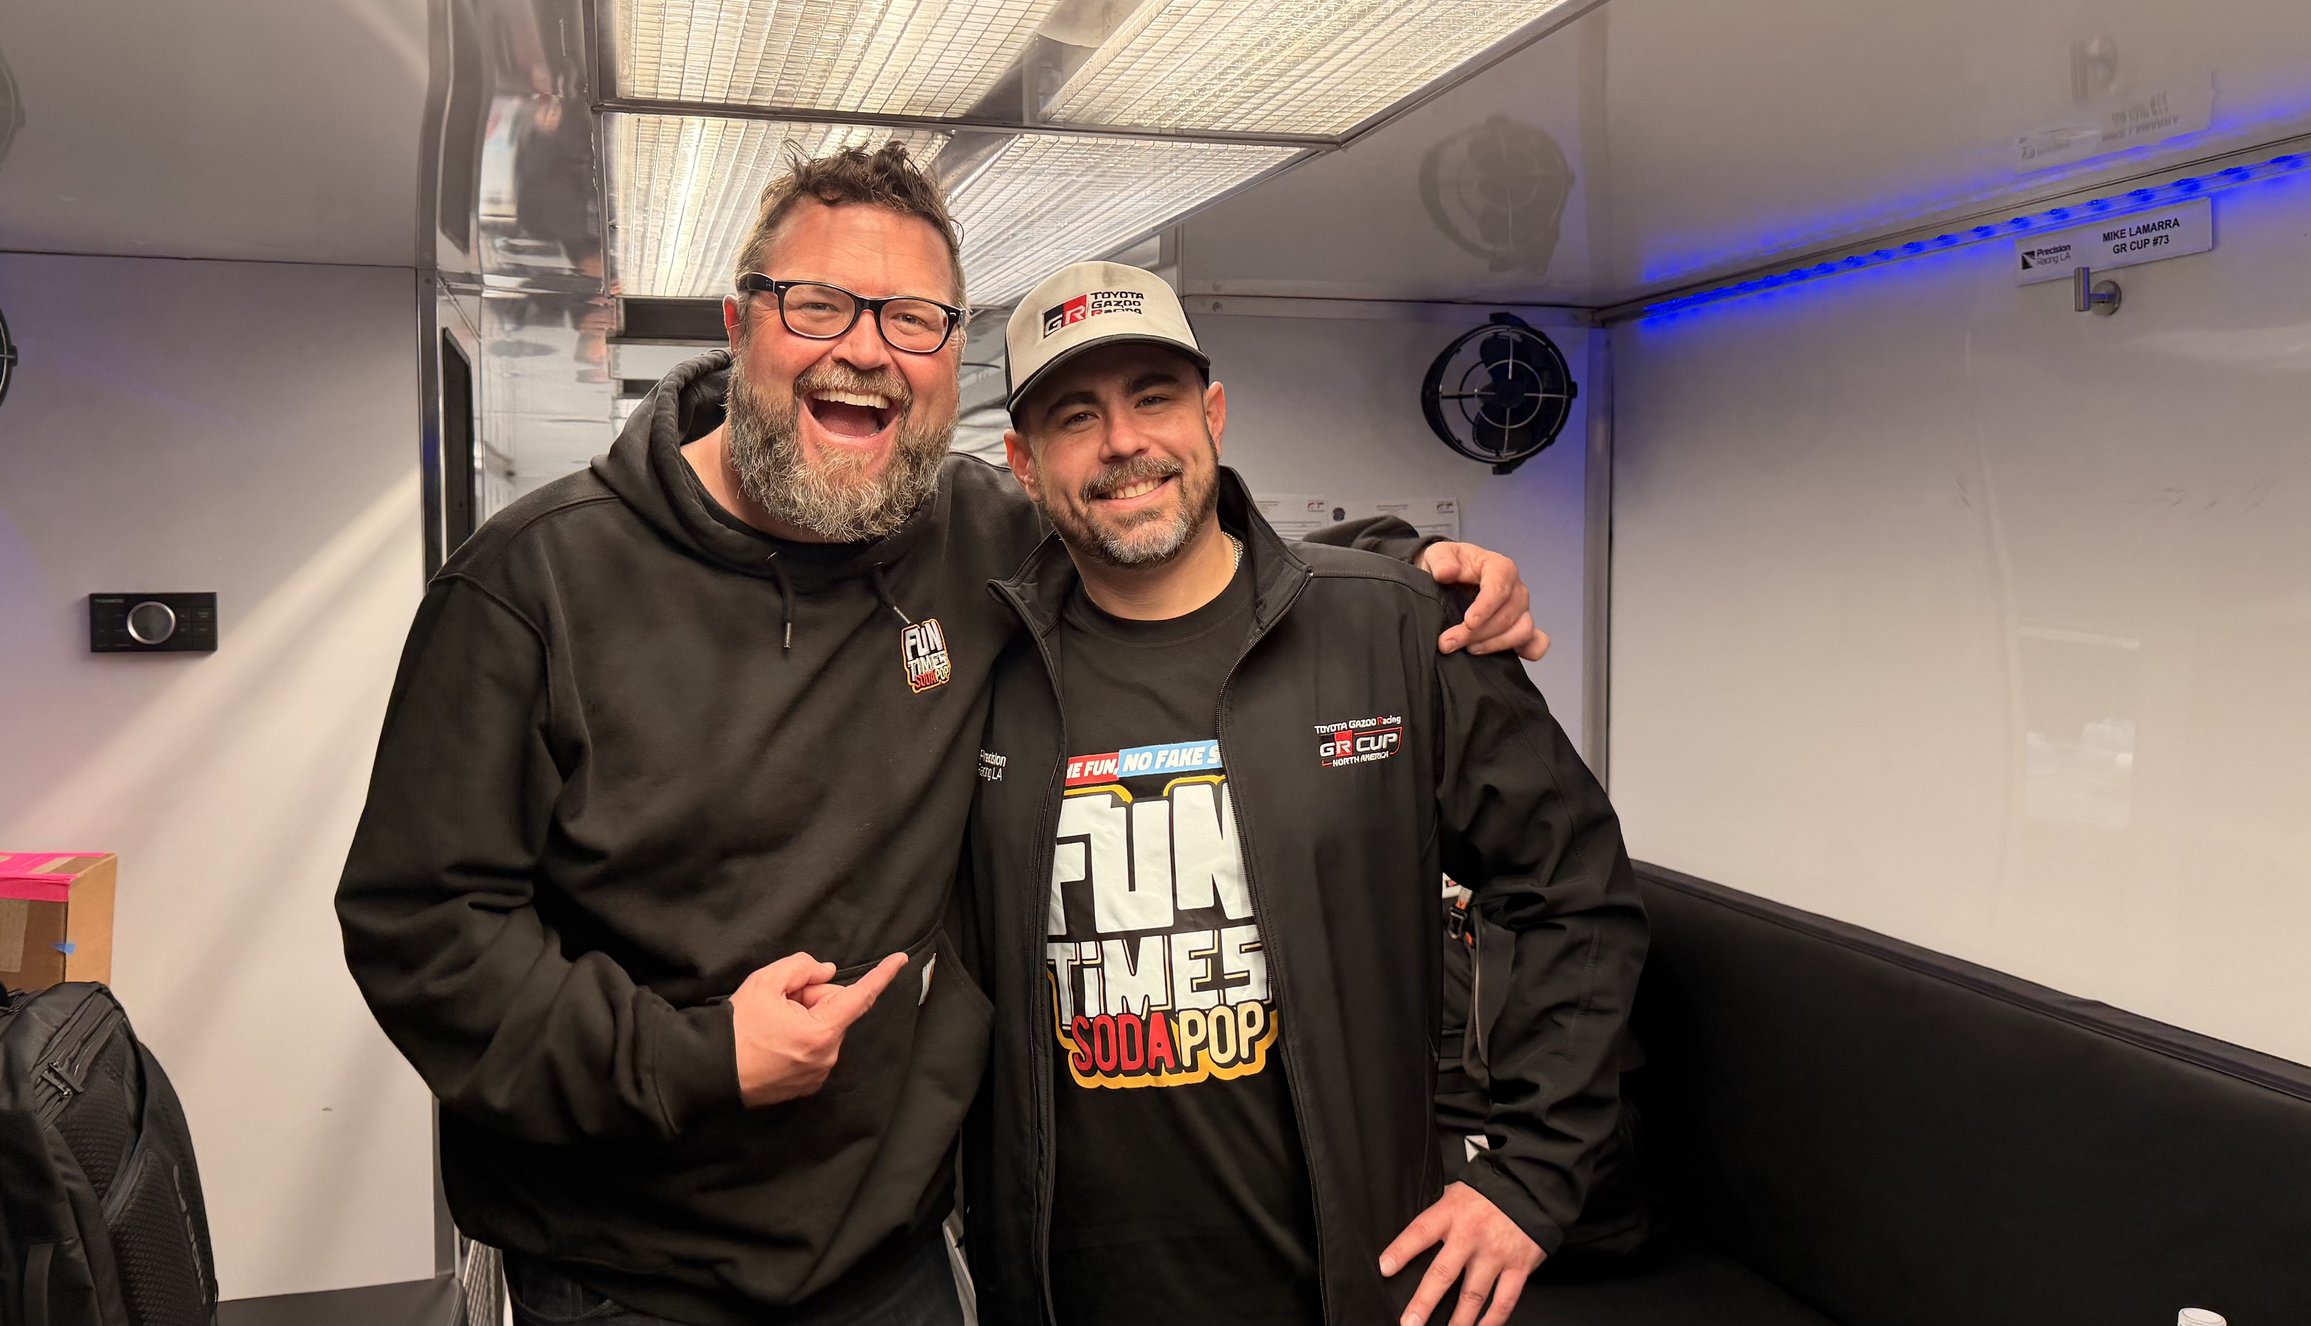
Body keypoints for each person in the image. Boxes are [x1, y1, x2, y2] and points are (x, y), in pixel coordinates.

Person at [335, 144, 1548, 1326]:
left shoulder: (967, 531)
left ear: (946, 357)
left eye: (911, 318)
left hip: (894, 1260)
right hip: (625, 1275)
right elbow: (422, 929)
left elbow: (1155, 514)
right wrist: (693, 1056)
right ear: (742, 321)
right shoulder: (532, 583)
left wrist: (1402, 568)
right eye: (819, 304)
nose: (865, 346)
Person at [962, 262, 1646, 1326]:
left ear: (1211, 413)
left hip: (1353, 1283)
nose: (1124, 441)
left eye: (1154, 396)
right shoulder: (975, 670)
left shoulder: (1398, 629)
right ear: (1022, 461)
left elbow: (1574, 889)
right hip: (1057, 1290)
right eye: (1073, 415)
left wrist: (1532, 1174)